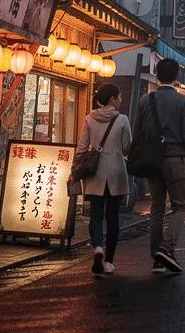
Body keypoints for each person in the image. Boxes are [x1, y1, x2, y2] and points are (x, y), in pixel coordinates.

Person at [135, 58, 185, 274]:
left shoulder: (145, 100)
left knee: (157, 208)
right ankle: (166, 249)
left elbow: (137, 132)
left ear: (157, 73)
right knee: (181, 207)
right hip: (176, 159)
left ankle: (157, 258)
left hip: (153, 160)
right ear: (176, 76)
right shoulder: (183, 102)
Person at [75, 83, 132, 275]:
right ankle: (108, 262)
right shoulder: (122, 119)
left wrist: (74, 169)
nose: (121, 100)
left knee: (96, 215)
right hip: (116, 171)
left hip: (95, 173)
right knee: (113, 217)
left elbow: (82, 147)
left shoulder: (89, 119)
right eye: (119, 97)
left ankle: (98, 248)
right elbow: (127, 147)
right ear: (112, 99)